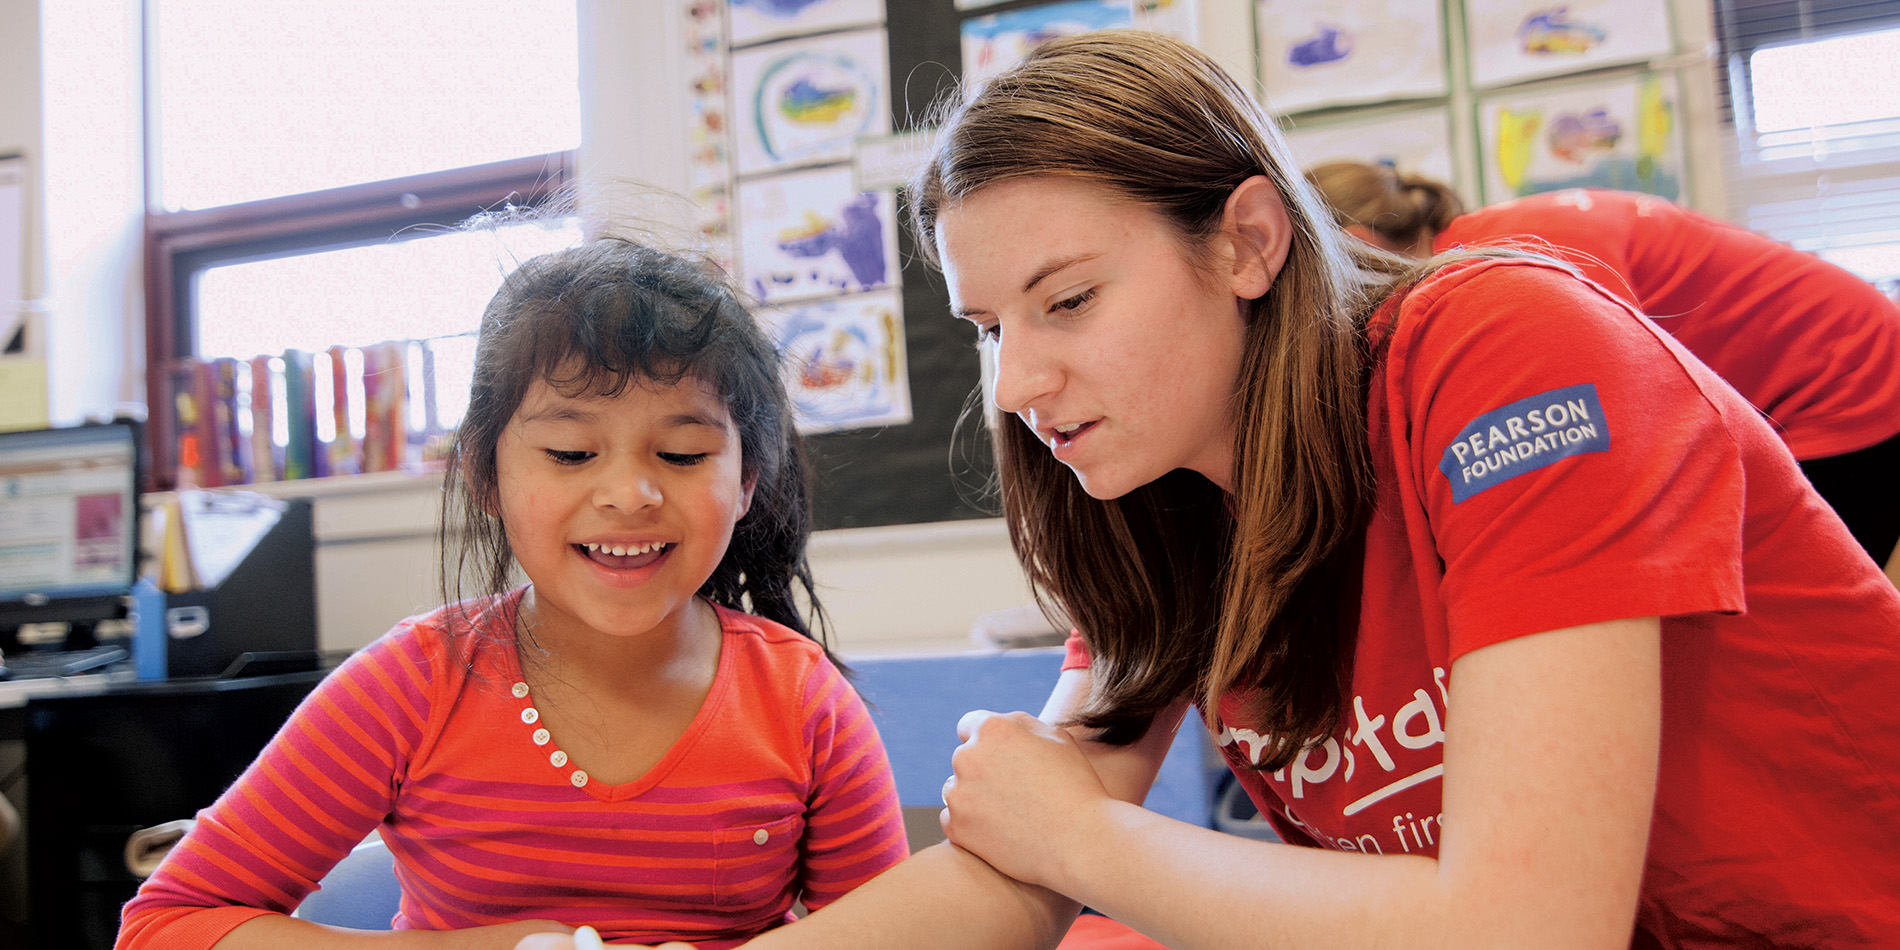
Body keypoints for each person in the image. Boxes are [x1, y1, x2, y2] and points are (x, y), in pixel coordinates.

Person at [523, 28, 1900, 950]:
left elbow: (1530, 926)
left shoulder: (1508, 348)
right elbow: (1011, 865)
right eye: (992, 327)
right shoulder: (1158, 497)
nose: (1015, 383)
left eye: (1067, 300)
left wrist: (1089, 837)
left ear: (1245, 241)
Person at [115, 237, 910, 949]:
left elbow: (903, 934)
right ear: (486, 477)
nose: (629, 493)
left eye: (680, 452)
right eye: (569, 453)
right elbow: (168, 924)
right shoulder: (412, 684)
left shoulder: (804, 701)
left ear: (745, 483)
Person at [1307, 160, 1900, 575]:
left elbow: (1621, 420)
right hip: (1840, 360)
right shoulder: (1490, 240)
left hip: (1846, 384)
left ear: (1357, 245)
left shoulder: (1506, 264)